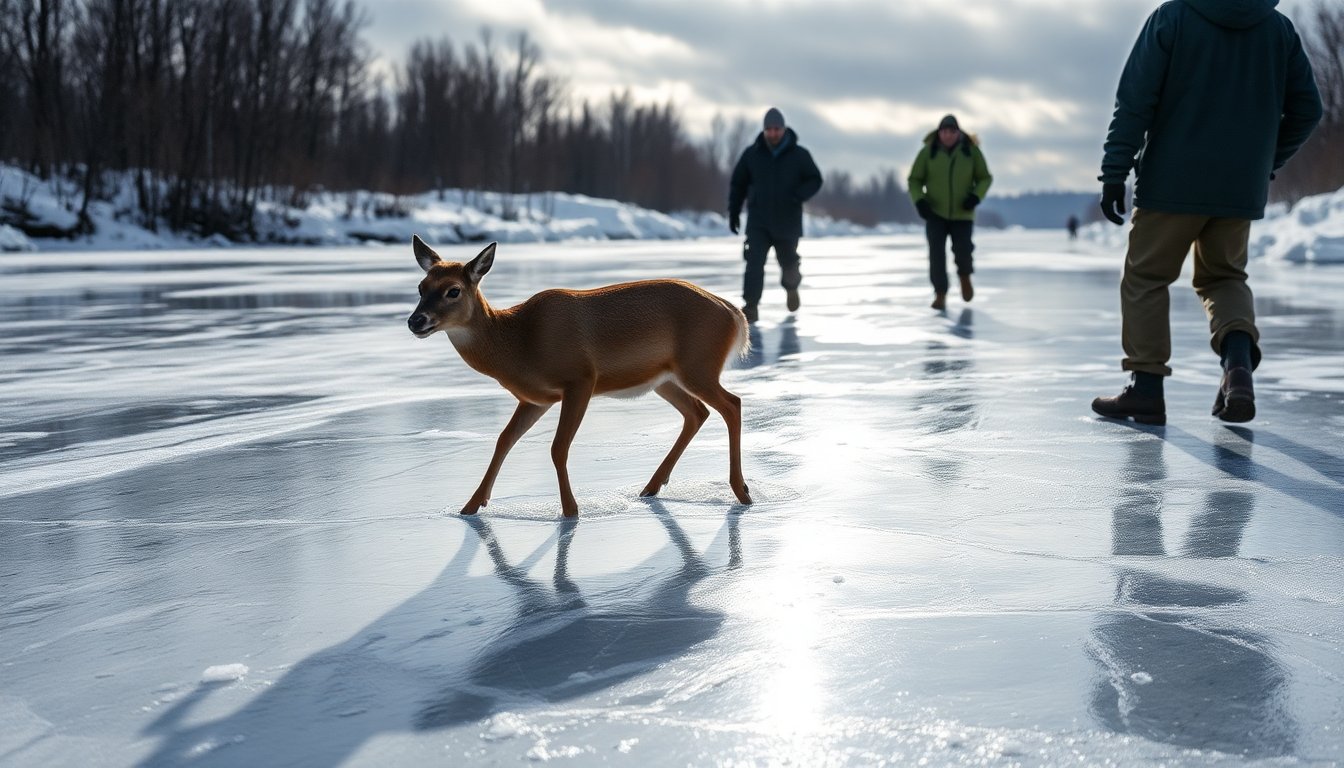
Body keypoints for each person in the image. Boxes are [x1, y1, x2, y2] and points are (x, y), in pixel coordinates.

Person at [1092, 0, 1322, 426]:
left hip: (1171, 183)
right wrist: (1264, 160)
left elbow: (1135, 101)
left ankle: (1146, 390)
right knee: (1224, 277)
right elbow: (1309, 110)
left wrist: (1114, 172)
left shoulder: (1173, 17)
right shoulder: (1278, 30)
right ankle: (1237, 366)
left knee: (1146, 277)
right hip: (1238, 186)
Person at [727, 107, 823, 323]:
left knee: (788, 263)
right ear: (764, 130)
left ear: (783, 129)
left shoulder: (799, 155)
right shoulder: (752, 154)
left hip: (787, 221)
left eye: (776, 129)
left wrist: (798, 195)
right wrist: (733, 211)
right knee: (754, 262)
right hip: (759, 220)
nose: (772, 133)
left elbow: (815, 179)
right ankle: (751, 306)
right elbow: (738, 184)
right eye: (768, 129)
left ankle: (791, 288)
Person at [908, 114, 993, 310]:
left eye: (952, 132)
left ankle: (965, 276)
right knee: (936, 255)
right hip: (934, 213)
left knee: (963, 251)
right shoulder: (928, 152)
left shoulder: (970, 151)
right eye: (944, 131)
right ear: (939, 133)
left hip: (963, 213)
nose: (948, 135)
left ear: (958, 133)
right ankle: (940, 294)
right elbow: (914, 179)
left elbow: (985, 178)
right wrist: (919, 201)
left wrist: (975, 197)